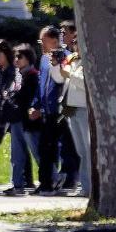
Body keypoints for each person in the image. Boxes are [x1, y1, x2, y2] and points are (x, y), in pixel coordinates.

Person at [0, 39, 33, 193]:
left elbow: (14, 91)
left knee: (20, 146)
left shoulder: (14, 71)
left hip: (11, 113)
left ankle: (27, 179)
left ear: (6, 54)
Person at [32, 26, 71, 196]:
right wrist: (36, 105)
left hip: (61, 110)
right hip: (47, 111)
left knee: (62, 148)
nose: (41, 44)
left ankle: (61, 180)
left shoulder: (66, 57)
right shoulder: (43, 59)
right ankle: (46, 182)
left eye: (44, 41)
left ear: (54, 41)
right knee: (45, 147)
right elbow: (40, 83)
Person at [59, 25, 92, 197]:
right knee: (81, 151)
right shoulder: (72, 60)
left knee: (88, 150)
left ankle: (89, 187)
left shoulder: (90, 60)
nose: (75, 45)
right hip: (71, 109)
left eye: (78, 42)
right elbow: (59, 78)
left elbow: (87, 84)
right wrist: (58, 66)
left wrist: (70, 75)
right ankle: (85, 186)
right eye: (75, 42)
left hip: (84, 108)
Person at [13, 44, 44, 193]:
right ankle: (48, 179)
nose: (16, 59)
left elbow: (26, 98)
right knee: (28, 151)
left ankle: (52, 178)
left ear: (29, 58)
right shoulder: (20, 75)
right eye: (15, 56)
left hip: (32, 121)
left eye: (20, 57)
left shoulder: (32, 76)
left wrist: (13, 96)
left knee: (38, 151)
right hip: (23, 120)